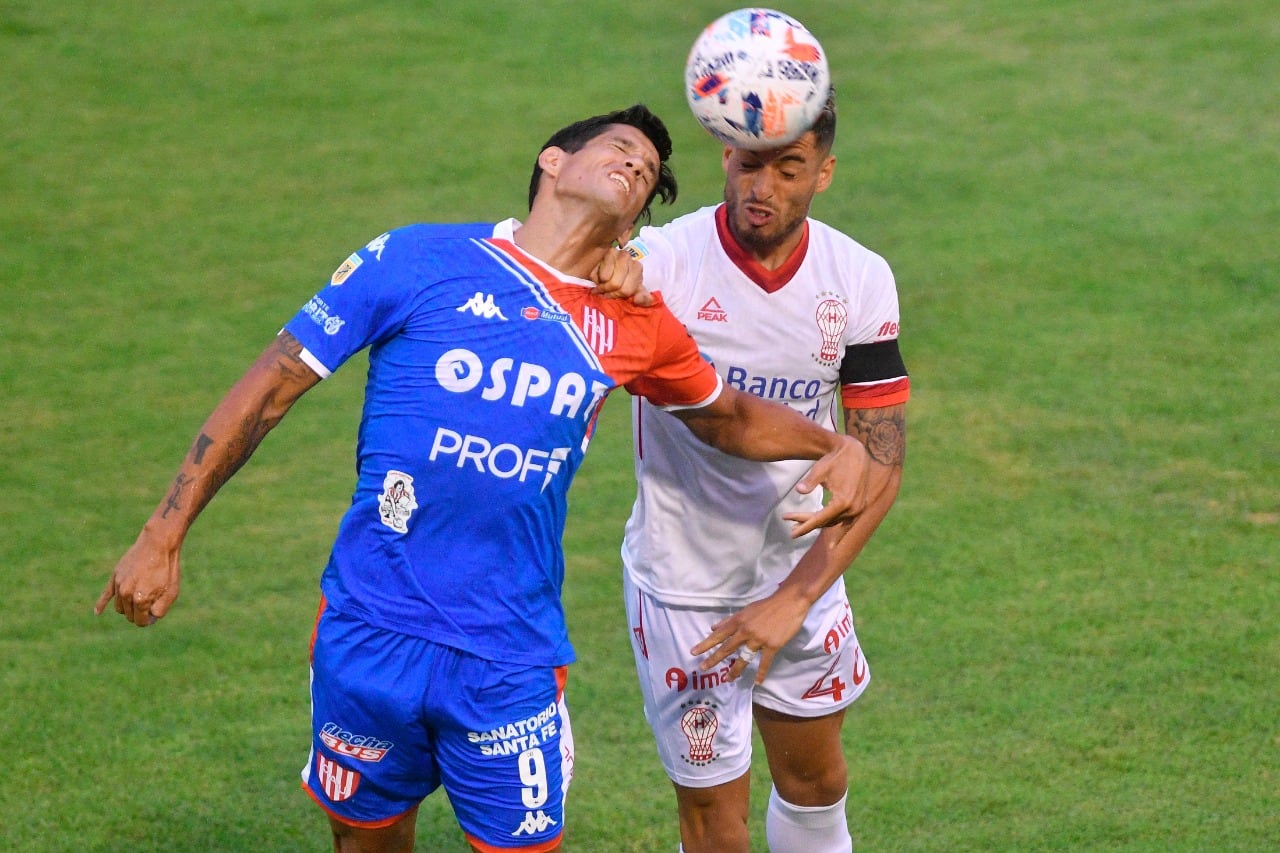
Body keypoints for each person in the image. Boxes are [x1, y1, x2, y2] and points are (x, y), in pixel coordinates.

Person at [94, 104, 876, 853]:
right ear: (553, 161)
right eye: (619, 150)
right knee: (363, 839)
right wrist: (163, 533)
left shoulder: (631, 321)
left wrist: (831, 445)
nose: (637, 165)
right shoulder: (415, 259)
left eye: (647, 173)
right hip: (370, 628)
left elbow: (728, 415)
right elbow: (269, 387)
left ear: (634, 224)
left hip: (508, 653)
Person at [620, 88, 909, 853]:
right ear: (725, 154)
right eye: (750, 164)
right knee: (718, 825)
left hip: (804, 577)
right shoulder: (668, 261)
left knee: (817, 785)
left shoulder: (859, 278)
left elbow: (879, 466)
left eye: (789, 168)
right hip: (687, 591)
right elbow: (613, 285)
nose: (763, 187)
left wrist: (796, 596)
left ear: (824, 174)